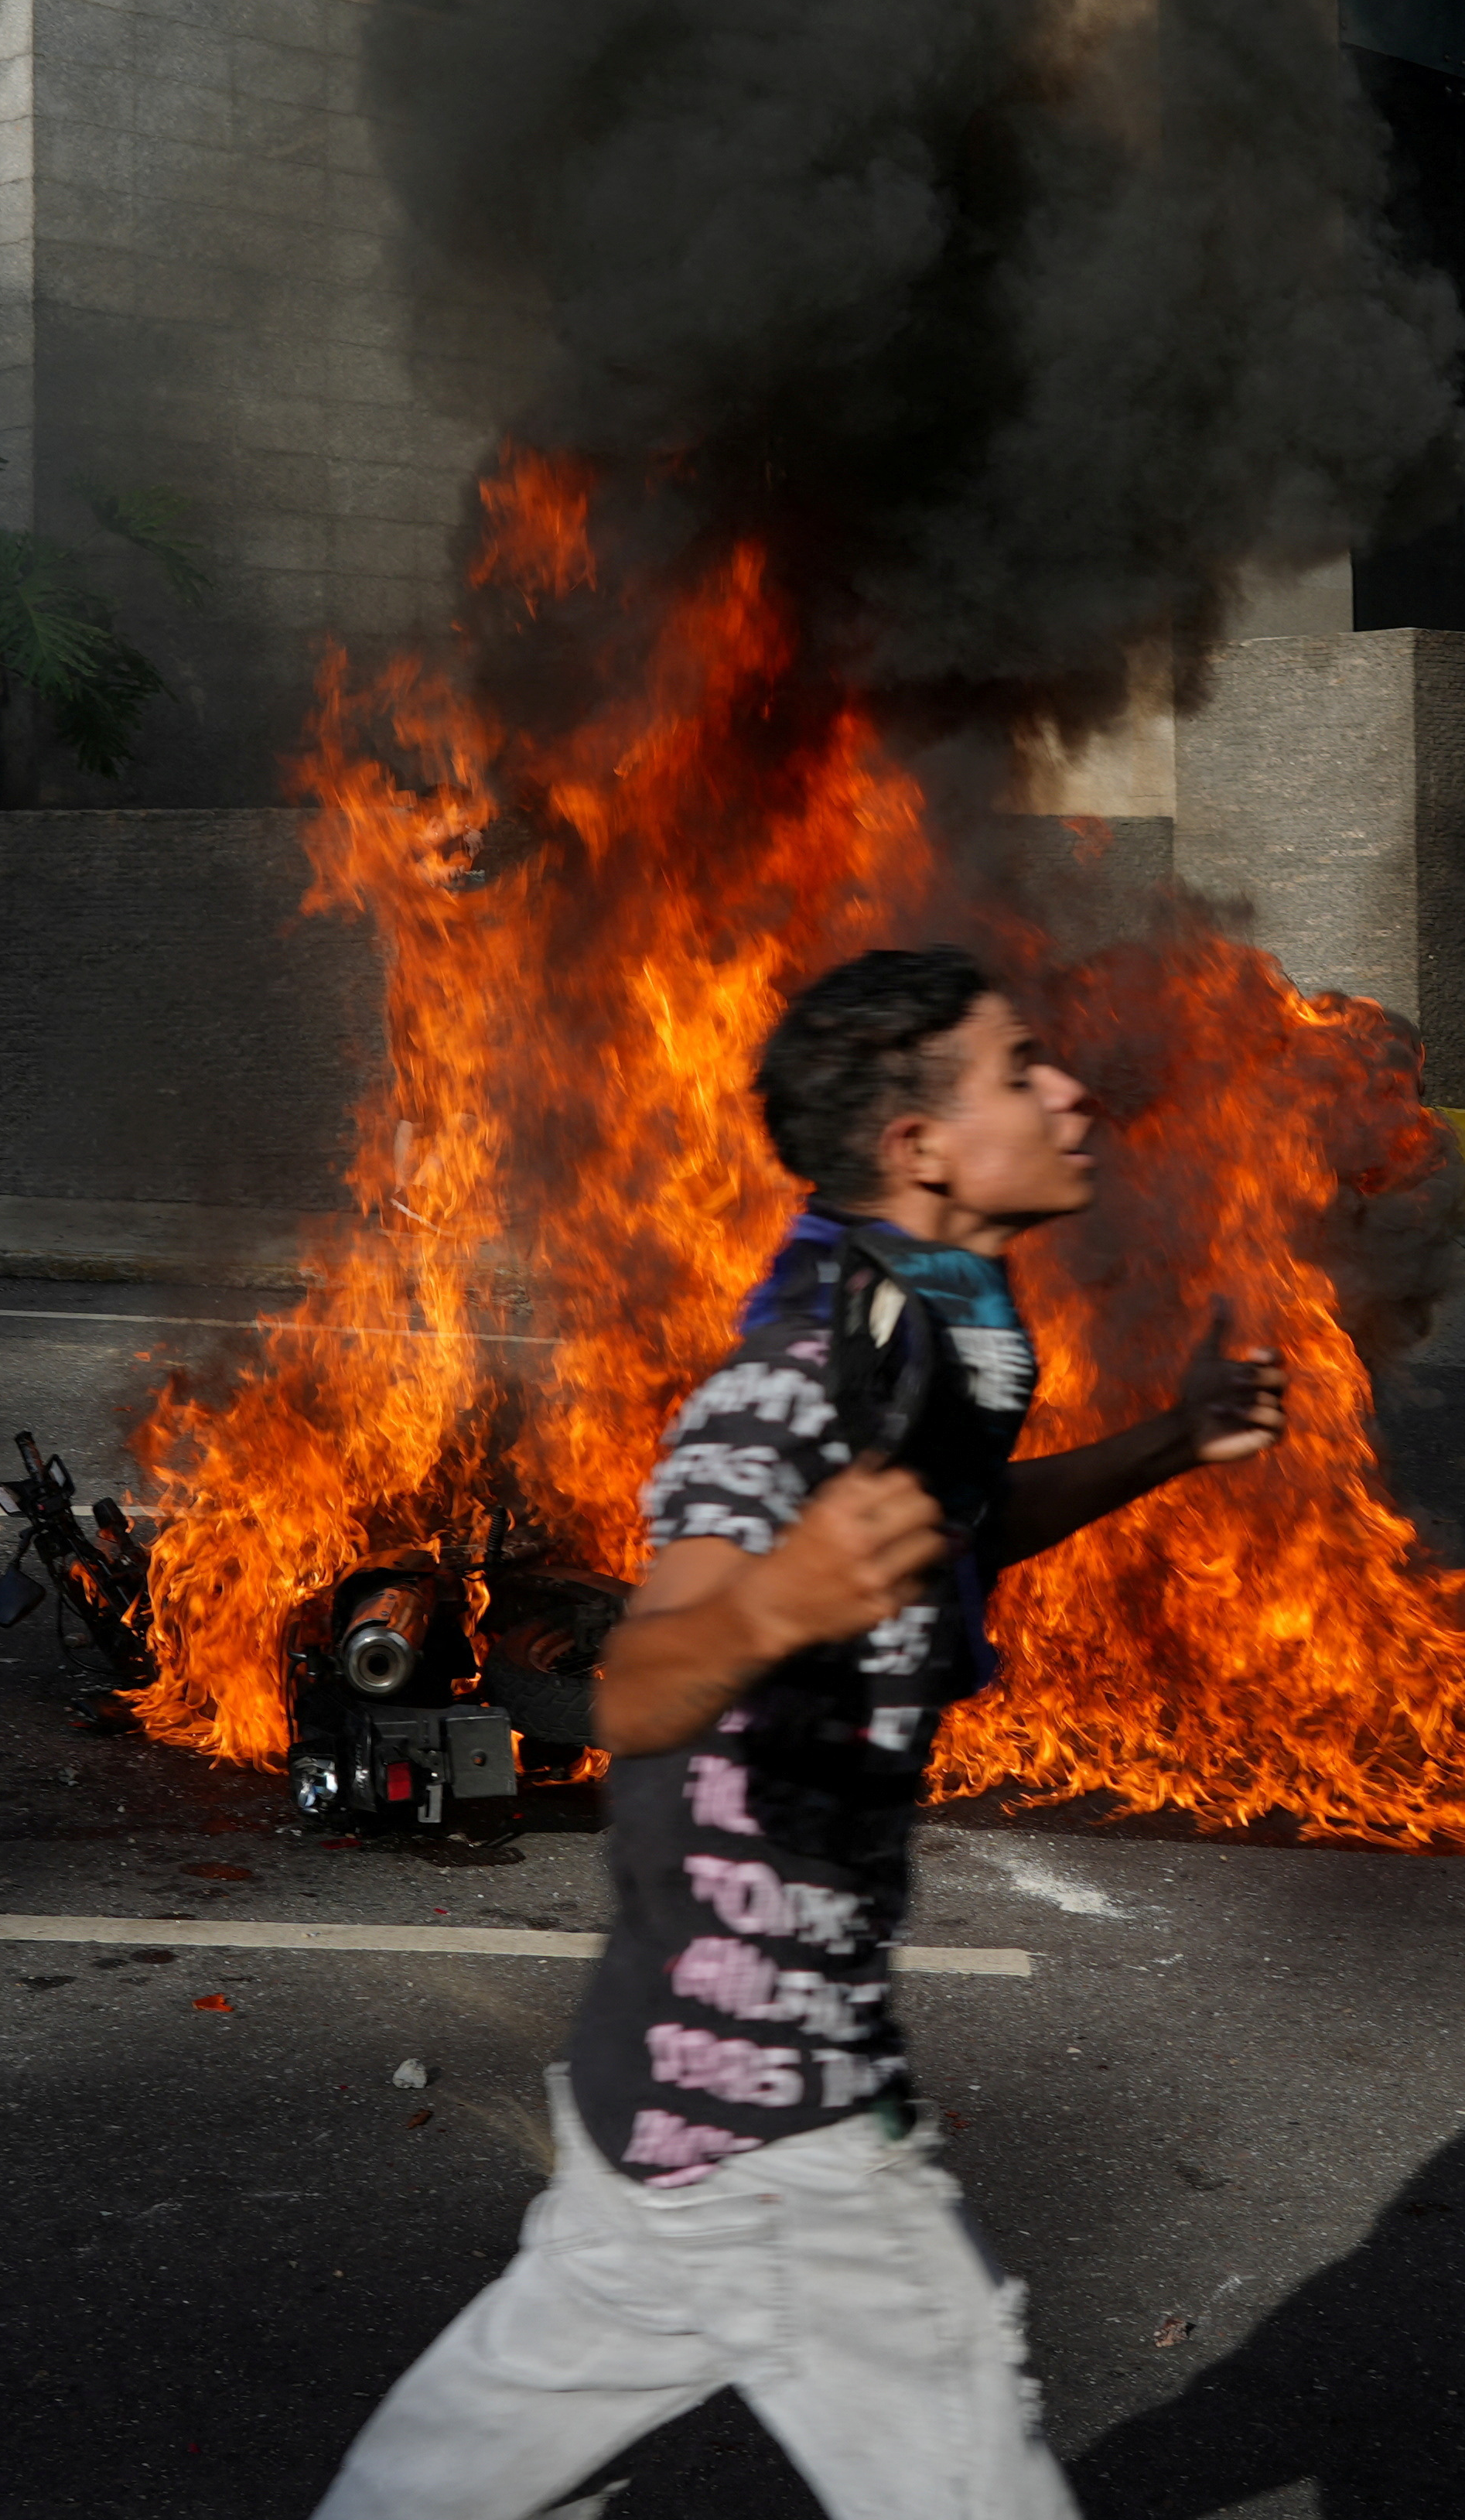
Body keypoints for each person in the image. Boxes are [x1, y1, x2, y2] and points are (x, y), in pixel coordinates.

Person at [309, 946, 1286, 2520]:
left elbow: (956, 1529)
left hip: (672, 2088)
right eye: (1021, 1067)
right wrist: (776, 1602)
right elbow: (634, 1690)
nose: (1069, 1087)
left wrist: (1174, 1438)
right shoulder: (798, 1379)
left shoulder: (939, 1335)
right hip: (777, 2116)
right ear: (919, 1145)